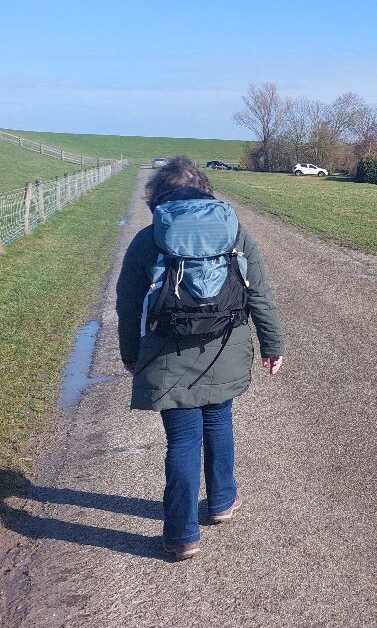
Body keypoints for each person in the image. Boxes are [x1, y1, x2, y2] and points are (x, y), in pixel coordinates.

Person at [116, 156, 285, 561]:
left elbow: (126, 306)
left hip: (165, 357)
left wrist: (130, 355)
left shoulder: (147, 238)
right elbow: (259, 293)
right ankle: (223, 501)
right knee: (219, 421)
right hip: (225, 349)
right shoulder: (235, 234)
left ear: (159, 197)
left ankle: (181, 534)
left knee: (183, 440)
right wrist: (272, 345)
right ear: (206, 191)